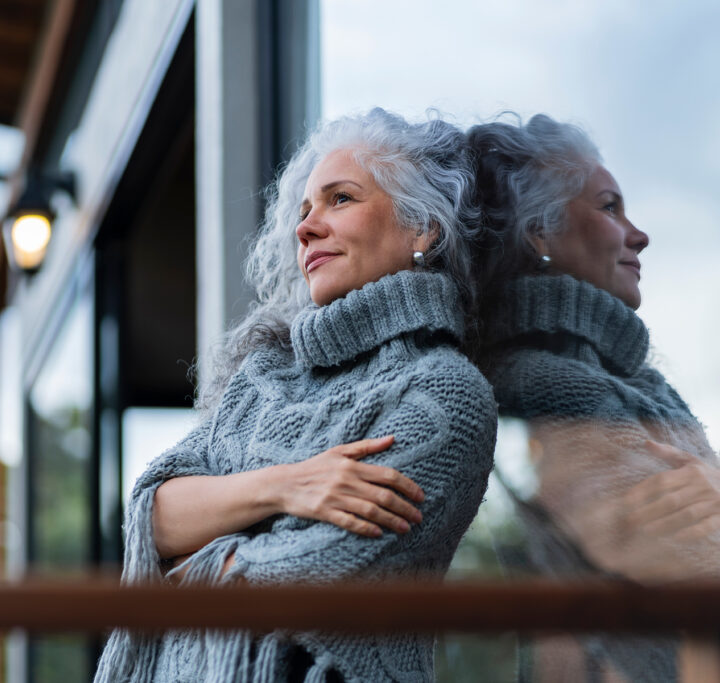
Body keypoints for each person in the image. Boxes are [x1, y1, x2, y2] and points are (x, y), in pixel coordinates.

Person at [94, 108, 498, 683]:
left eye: (340, 199)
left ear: (422, 228)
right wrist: (288, 487)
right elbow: (153, 516)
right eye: (304, 210)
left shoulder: (443, 393)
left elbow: (311, 574)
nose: (305, 228)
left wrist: (187, 566)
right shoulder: (263, 376)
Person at [468, 114, 720, 682]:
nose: (639, 234)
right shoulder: (554, 390)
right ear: (539, 233)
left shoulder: (626, 384)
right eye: (610, 208)